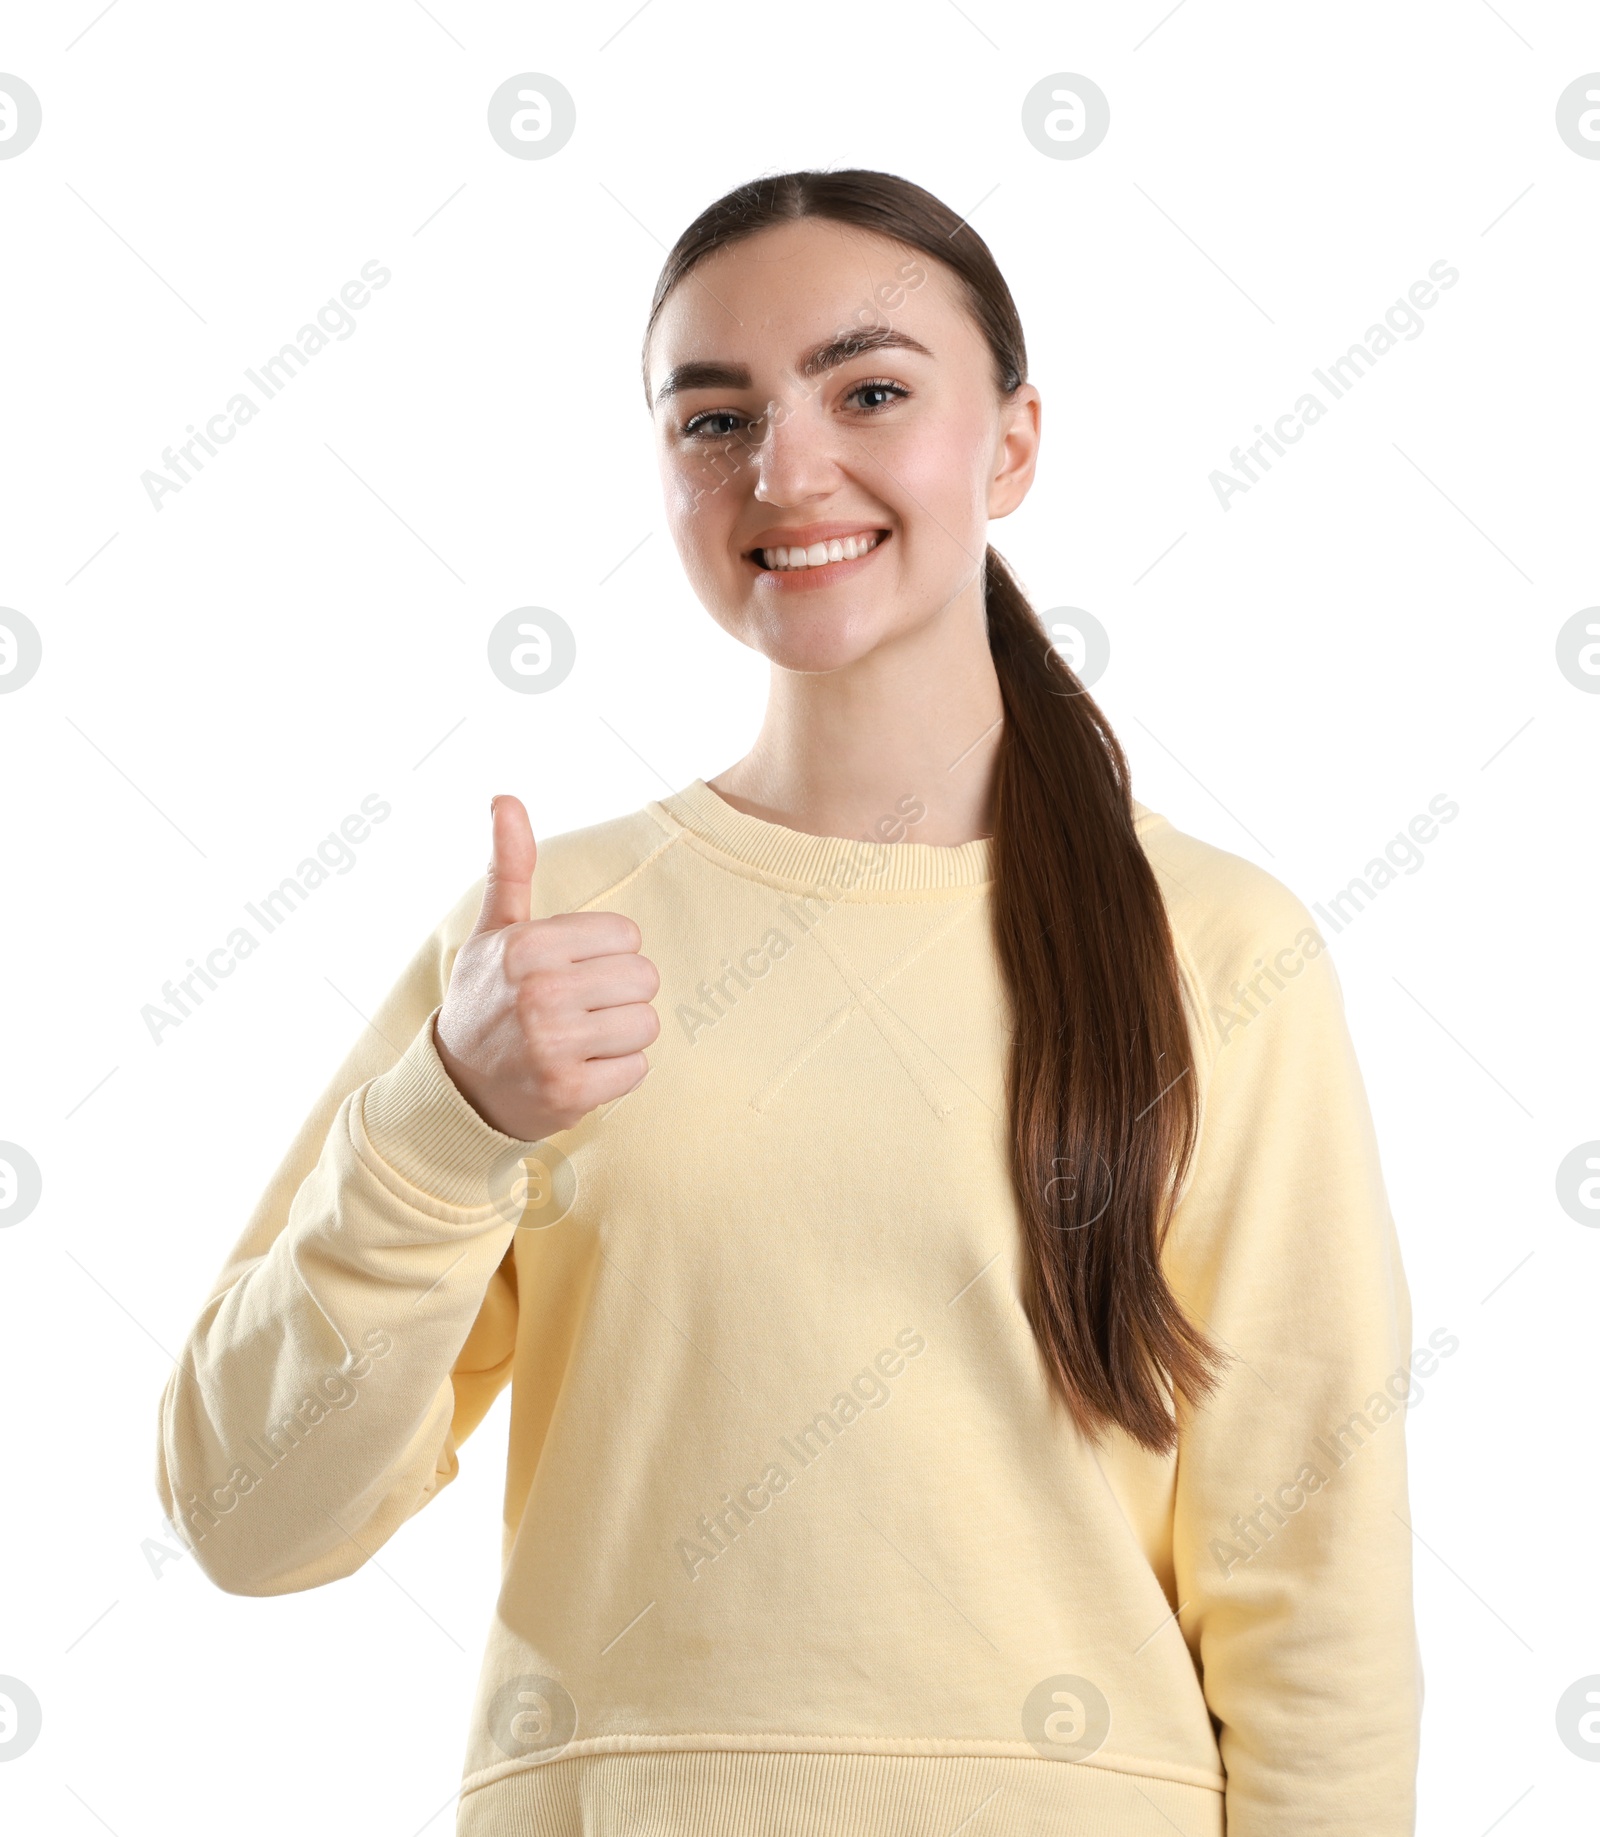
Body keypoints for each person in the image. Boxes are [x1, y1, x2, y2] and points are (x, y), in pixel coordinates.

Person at [156, 168, 1421, 1836]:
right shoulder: (545, 944)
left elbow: (1311, 1580)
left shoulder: (1217, 944)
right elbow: (250, 1517)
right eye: (715, 418)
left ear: (1014, 442)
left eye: (870, 392)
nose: (785, 468)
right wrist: (443, 1127)